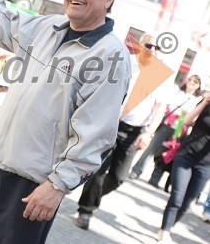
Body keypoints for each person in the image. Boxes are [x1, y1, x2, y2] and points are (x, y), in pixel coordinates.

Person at [0, 0, 131, 243]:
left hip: (34, 185)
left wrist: (57, 186)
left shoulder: (111, 57)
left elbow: (95, 136)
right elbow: (0, 24)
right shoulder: (49, 27)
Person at [73, 33, 167, 230]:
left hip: (135, 131)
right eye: (150, 45)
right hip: (111, 123)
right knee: (98, 170)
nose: (154, 50)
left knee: (119, 177)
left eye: (158, 48)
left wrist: (148, 133)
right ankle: (85, 211)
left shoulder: (161, 75)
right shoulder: (125, 61)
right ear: (141, 46)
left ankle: (92, 199)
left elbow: (159, 108)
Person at [158, 91, 210, 243]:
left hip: (206, 165)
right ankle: (164, 232)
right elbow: (186, 121)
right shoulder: (205, 104)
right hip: (186, 155)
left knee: (187, 203)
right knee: (177, 197)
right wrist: (204, 103)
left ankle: (169, 225)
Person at [129, 75, 202, 183]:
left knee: (167, 153)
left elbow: (190, 117)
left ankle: (155, 179)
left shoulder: (197, 100)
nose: (191, 83)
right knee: (151, 148)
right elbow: (167, 105)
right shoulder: (177, 91)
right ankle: (136, 170)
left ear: (198, 86)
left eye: (195, 82)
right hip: (167, 124)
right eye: (190, 80)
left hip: (179, 129)